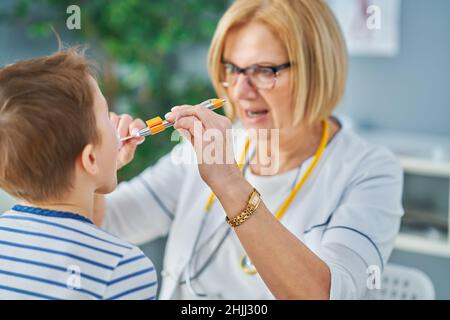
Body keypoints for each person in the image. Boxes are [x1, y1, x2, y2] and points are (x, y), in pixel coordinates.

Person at [99, 0, 404, 299]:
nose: (241, 92)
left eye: (264, 71)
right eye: (232, 69)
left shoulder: (369, 170)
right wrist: (99, 173)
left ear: (316, 70)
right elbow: (107, 224)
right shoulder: (200, 149)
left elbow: (326, 295)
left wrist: (229, 183)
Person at [0, 48, 157, 300]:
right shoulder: (123, 267)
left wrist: (101, 166)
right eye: (106, 116)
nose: (116, 124)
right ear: (90, 158)